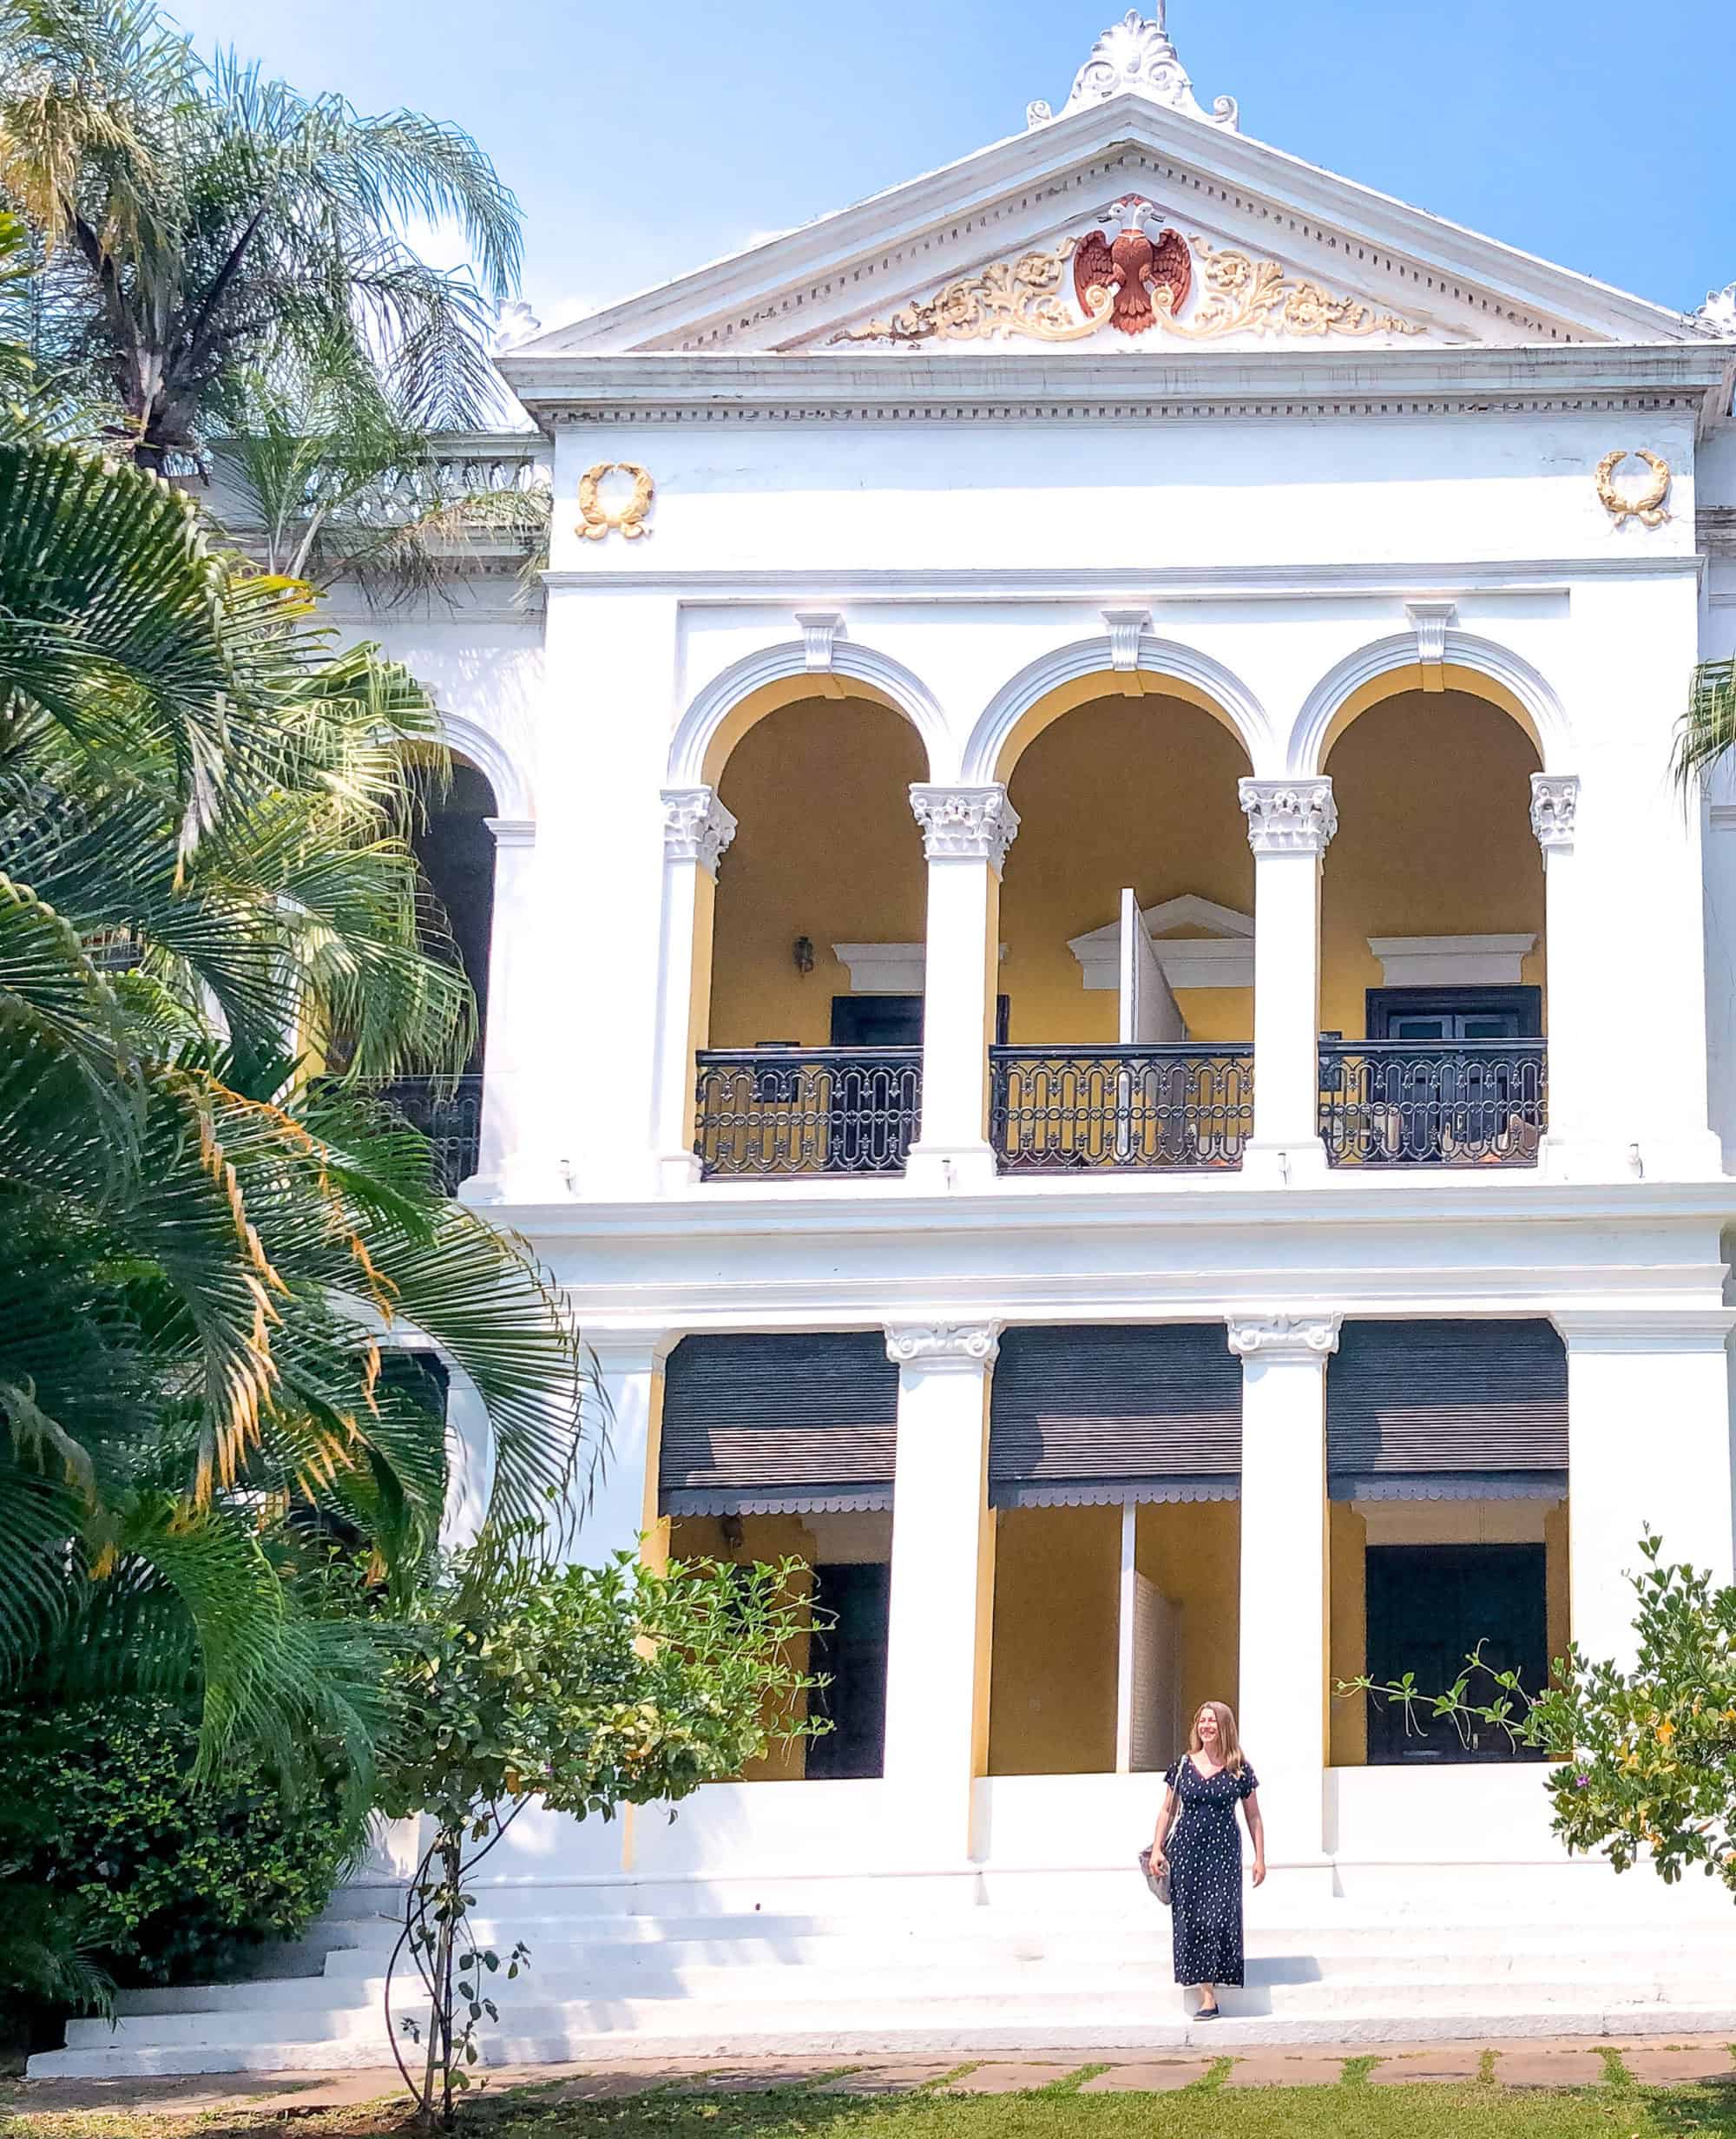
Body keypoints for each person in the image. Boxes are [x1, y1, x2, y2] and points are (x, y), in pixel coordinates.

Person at [1147, 1699, 1266, 2019]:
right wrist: (1157, 1848)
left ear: (1224, 1726)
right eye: (1202, 1720)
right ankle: (1207, 1996)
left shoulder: (1239, 1767)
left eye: (1212, 1721)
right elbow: (1167, 1809)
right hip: (1187, 1852)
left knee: (1217, 1916)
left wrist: (1260, 1858)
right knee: (1194, 1918)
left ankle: (1217, 1973)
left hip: (1224, 1853)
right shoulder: (1183, 1765)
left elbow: (1253, 1815)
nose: (1206, 1726)